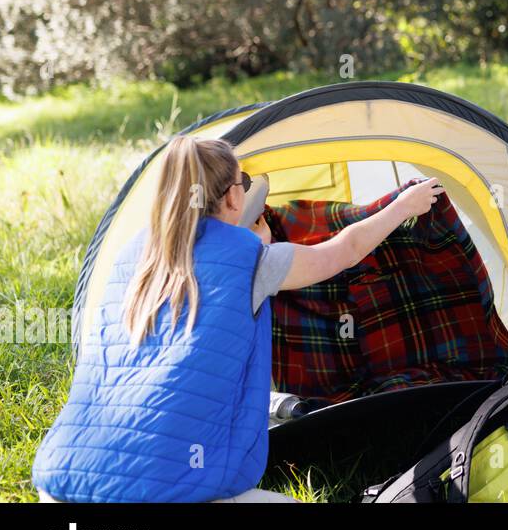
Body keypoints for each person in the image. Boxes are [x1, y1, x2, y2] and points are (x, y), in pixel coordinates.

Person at [32, 135, 444, 502]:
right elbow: (345, 250)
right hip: (167, 485)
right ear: (233, 198)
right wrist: (403, 205)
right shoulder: (252, 262)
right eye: (244, 185)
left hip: (63, 479)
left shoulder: (130, 256)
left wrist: (254, 246)